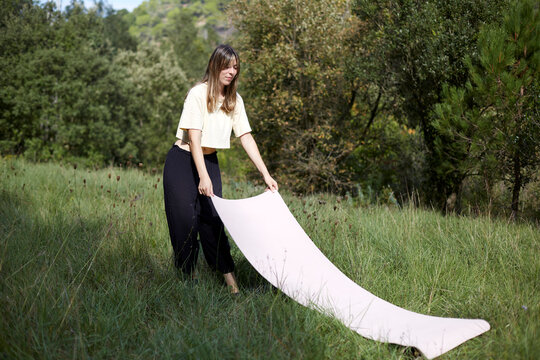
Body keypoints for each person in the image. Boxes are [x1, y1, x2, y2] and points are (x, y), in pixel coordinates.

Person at [163, 44, 278, 294]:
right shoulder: (197, 94)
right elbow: (194, 136)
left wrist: (265, 174)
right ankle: (188, 281)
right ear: (215, 65)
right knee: (185, 223)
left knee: (213, 221)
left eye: (235, 67)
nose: (231, 71)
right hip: (182, 162)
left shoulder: (235, 101)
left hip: (209, 160)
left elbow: (246, 137)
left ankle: (232, 286)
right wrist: (202, 176)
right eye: (227, 66)